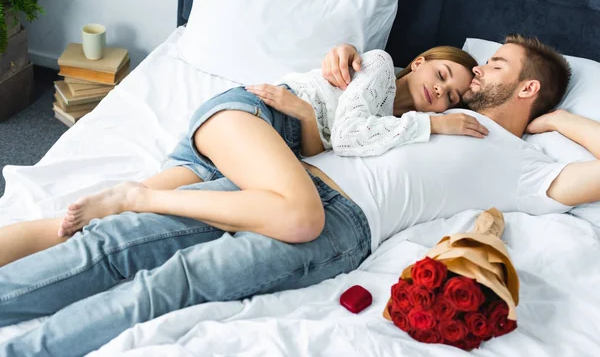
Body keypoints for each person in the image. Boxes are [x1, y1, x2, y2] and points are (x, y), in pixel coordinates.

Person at [2, 34, 600, 357]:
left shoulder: (525, 167)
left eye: (494, 65)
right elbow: (358, 94)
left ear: (525, 86)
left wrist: (556, 125)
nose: (475, 73)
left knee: (173, 283)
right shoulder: (424, 101)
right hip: (281, 173)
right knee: (111, 246)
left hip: (338, 226)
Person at [0, 45, 482, 266]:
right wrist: (433, 125)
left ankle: (126, 200)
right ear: (418, 62)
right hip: (247, 119)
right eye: (441, 74)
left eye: (452, 97)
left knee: (87, 229)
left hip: (249, 148)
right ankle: (134, 197)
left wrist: (309, 119)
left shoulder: (394, 127)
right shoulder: (376, 66)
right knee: (300, 216)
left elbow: (322, 150)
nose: (439, 92)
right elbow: (353, 135)